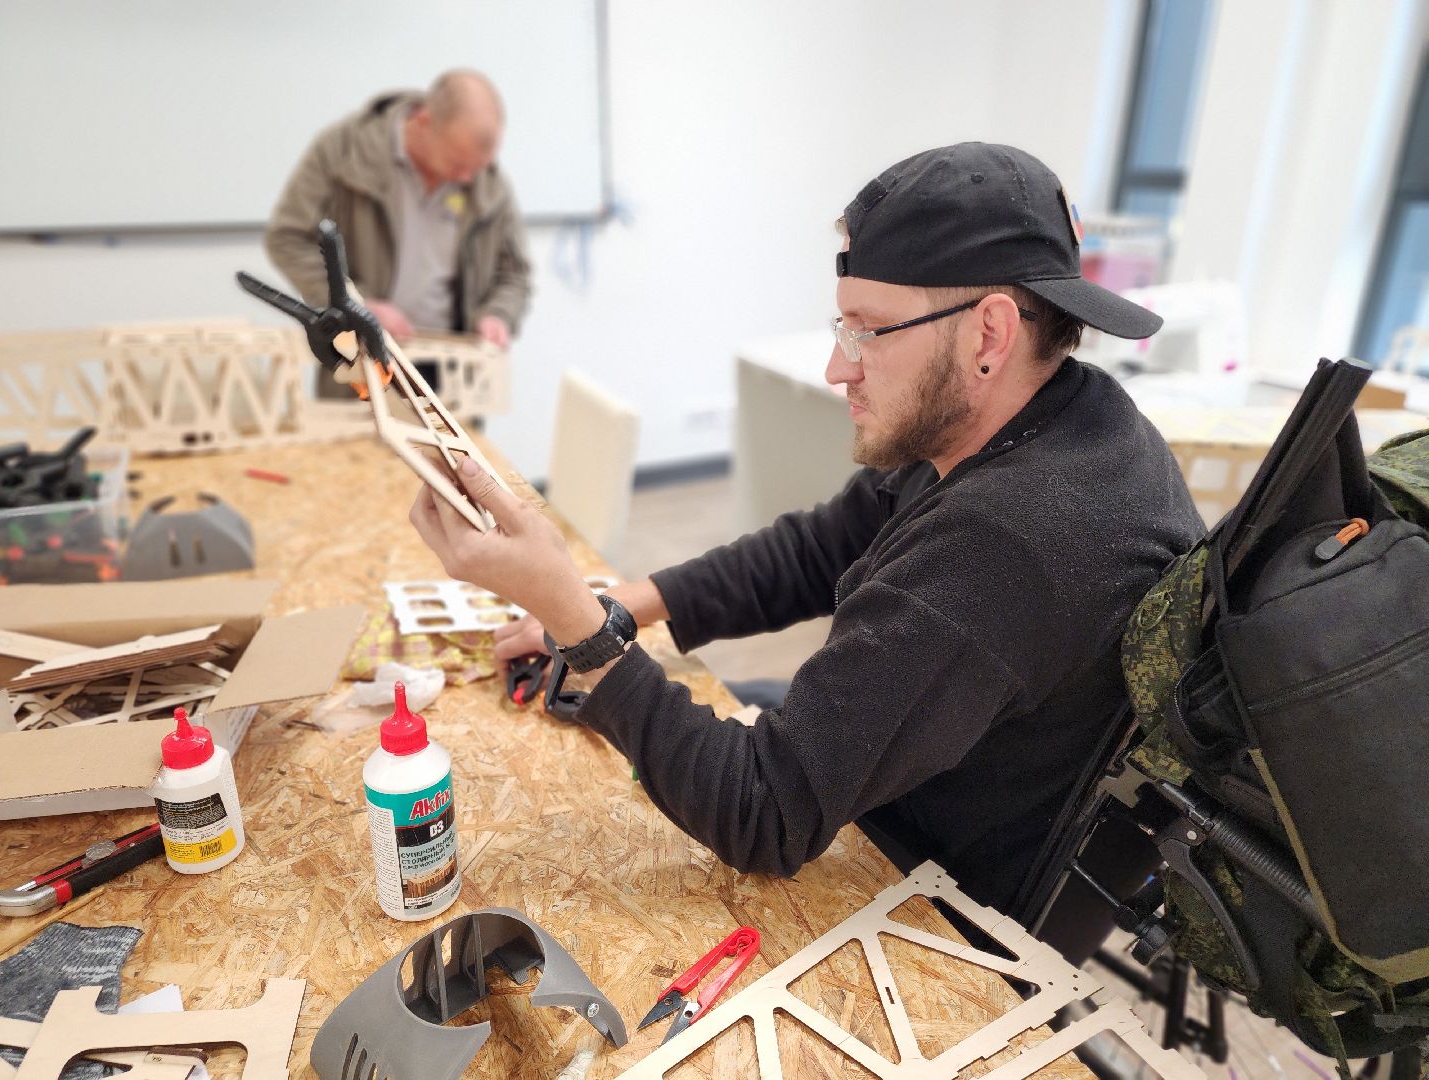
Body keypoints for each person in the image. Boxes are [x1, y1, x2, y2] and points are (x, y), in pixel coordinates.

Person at [409, 143, 1203, 911]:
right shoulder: (1048, 408)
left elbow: (763, 814)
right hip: (902, 780)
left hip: (941, 904)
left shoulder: (1007, 540)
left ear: (989, 333)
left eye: (868, 329)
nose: (837, 367)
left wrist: (576, 620)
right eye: (840, 327)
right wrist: (622, 607)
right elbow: (821, 546)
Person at [265, 69, 531, 368]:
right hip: (362, 364)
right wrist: (357, 305)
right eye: (458, 164)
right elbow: (288, 239)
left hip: (453, 369)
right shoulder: (344, 151)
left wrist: (497, 315)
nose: (468, 178)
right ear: (423, 121)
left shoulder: (487, 181)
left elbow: (514, 273)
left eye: (478, 167)